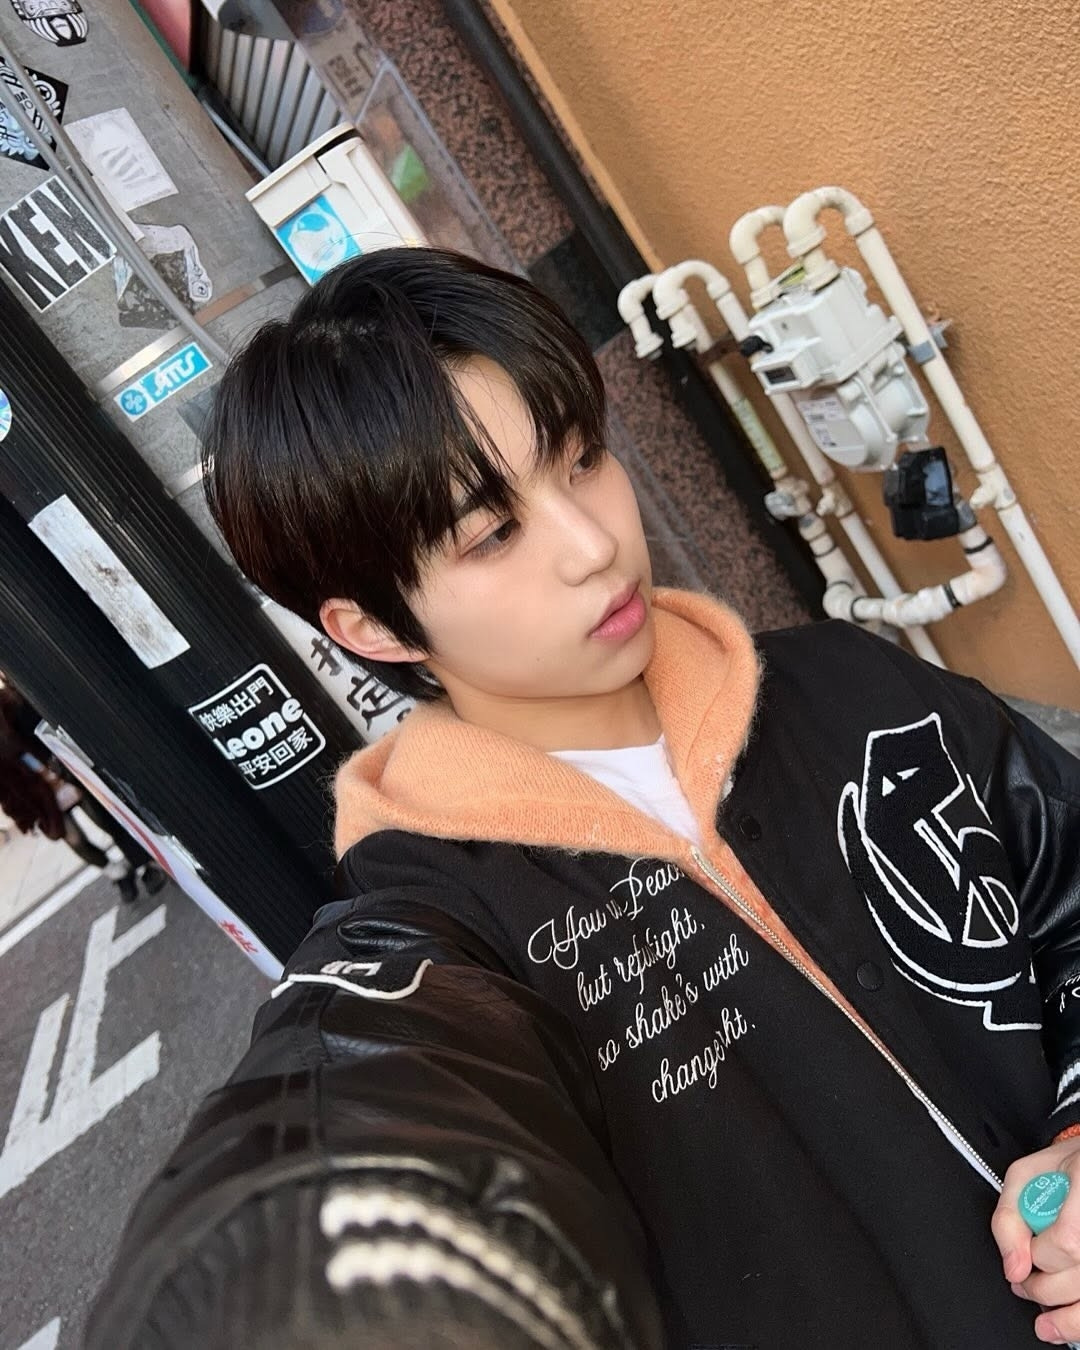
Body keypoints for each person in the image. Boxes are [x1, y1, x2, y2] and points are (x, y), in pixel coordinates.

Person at [88, 248, 1080, 1348]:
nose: (595, 544)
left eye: (583, 459)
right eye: (492, 534)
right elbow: (341, 1127)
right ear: (372, 626)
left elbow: (1066, 896)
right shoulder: (447, 942)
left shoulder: (849, 687)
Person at [0, 679, 166, 900]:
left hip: (65, 774)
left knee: (108, 821)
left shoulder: (11, 704)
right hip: (41, 798)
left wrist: (63, 768)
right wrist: (25, 819)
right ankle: (118, 873)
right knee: (74, 840)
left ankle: (145, 864)